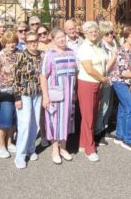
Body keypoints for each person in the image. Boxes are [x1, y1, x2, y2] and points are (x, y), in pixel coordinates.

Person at [40, 28, 78, 164]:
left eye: (63, 36)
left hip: (69, 95)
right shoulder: (49, 55)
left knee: (66, 120)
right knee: (54, 121)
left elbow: (76, 73)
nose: (62, 39)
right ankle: (55, 149)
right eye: (58, 37)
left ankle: (64, 148)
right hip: (55, 95)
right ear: (53, 40)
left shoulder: (72, 52)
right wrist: (45, 96)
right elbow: (43, 76)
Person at [76, 21, 109, 161]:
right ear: (85, 33)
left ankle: (83, 144)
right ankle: (90, 149)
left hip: (97, 83)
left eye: (95, 31)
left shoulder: (97, 46)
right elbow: (89, 68)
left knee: (92, 115)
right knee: (89, 117)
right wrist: (102, 78)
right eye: (90, 31)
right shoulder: (84, 48)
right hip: (87, 84)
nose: (94, 33)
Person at [12, 31, 44, 169]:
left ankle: (30, 148)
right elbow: (15, 77)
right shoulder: (20, 55)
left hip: (38, 93)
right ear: (25, 42)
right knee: (24, 125)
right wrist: (17, 97)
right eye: (30, 41)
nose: (33, 43)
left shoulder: (42, 55)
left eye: (35, 40)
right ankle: (20, 155)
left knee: (35, 123)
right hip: (24, 94)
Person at [108, 27, 131, 151]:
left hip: (126, 83)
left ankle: (119, 135)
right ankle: (128, 140)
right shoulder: (121, 51)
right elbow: (122, 72)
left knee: (123, 109)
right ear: (126, 38)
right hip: (119, 82)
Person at [0, 31, 19, 159]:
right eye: (8, 42)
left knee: (12, 120)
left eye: (13, 42)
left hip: (17, 92)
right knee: (3, 121)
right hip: (3, 92)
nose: (11, 45)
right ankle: (0, 146)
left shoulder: (19, 54)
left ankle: (9, 142)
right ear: (4, 43)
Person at [95, 21, 119, 144]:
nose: (111, 35)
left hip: (114, 79)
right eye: (107, 33)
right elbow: (104, 68)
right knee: (103, 106)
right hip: (105, 79)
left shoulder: (113, 43)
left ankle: (104, 128)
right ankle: (98, 132)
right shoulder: (101, 46)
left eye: (112, 33)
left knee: (109, 106)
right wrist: (114, 57)